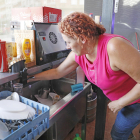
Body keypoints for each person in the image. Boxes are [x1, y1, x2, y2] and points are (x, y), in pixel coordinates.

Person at [28, 12, 140, 140]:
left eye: (68, 42)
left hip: (137, 101)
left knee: (117, 134)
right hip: (124, 99)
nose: (67, 46)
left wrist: (120, 103)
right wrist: (31, 77)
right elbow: (57, 72)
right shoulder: (80, 53)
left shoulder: (114, 47)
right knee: (125, 128)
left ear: (82, 38)